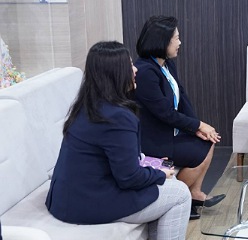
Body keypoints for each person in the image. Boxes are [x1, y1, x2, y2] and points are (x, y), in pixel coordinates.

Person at [45, 42, 190, 240]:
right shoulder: (117, 117)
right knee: (180, 194)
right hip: (90, 202)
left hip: (66, 198)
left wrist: (149, 165)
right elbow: (129, 177)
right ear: (115, 73)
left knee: (168, 184)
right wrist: (158, 174)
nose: (135, 70)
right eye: (129, 65)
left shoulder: (86, 106)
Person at [134, 16, 225, 220]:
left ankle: (194, 194)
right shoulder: (145, 72)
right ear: (162, 41)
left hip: (171, 132)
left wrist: (198, 128)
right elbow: (165, 113)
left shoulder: (166, 64)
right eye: (176, 38)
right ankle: (177, 199)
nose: (180, 42)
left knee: (208, 139)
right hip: (154, 140)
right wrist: (197, 125)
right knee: (199, 151)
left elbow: (181, 97)